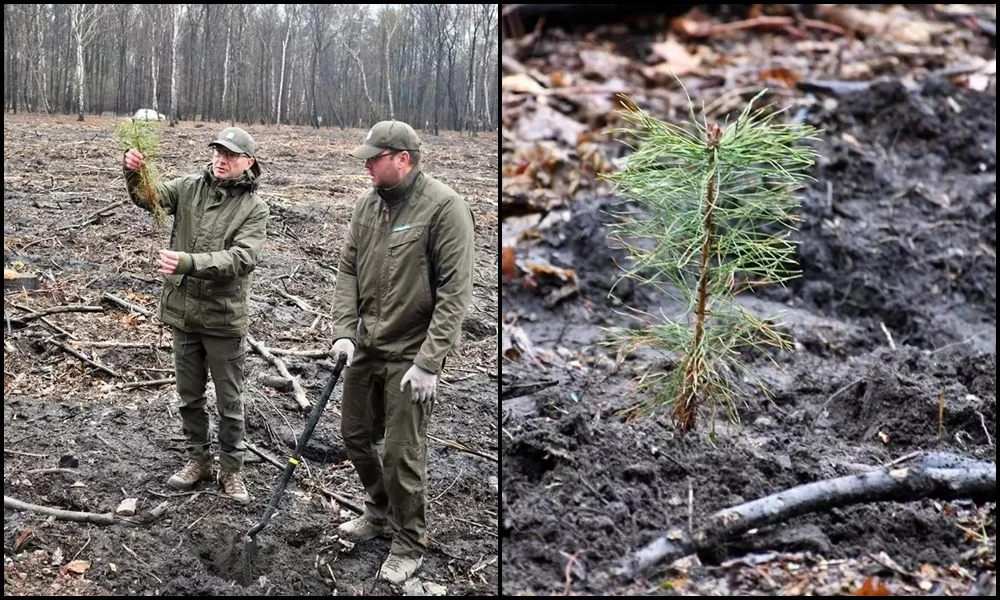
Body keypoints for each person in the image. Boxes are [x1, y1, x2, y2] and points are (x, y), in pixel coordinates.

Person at [329, 120, 475, 583]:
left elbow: (455, 292)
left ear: (403, 159)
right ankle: (378, 510)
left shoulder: (444, 208)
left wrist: (430, 363)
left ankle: (410, 540)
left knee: (401, 453)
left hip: (412, 353)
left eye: (375, 158)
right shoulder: (366, 206)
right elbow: (348, 270)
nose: (367, 165)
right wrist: (344, 330)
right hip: (366, 345)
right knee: (355, 435)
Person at [122, 126, 269, 506]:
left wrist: (189, 262)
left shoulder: (255, 209)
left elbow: (243, 259)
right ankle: (198, 460)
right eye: (218, 151)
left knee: (229, 401)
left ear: (248, 162)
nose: (222, 159)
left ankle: (232, 469)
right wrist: (135, 171)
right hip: (184, 314)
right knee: (189, 396)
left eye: (231, 155)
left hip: (223, 319)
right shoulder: (189, 187)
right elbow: (148, 199)